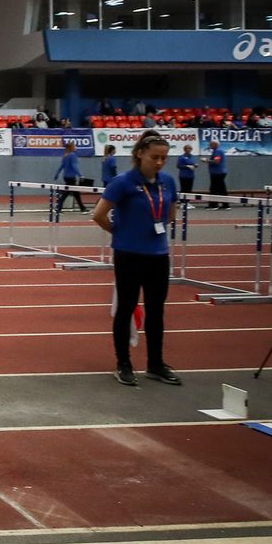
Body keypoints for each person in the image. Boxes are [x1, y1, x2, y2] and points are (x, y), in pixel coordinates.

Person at [92, 130, 180, 386]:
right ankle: (124, 363)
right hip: (129, 255)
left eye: (164, 157)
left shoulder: (168, 182)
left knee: (156, 310)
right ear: (140, 155)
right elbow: (98, 215)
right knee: (126, 308)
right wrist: (118, 232)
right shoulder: (123, 182)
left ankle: (155, 363)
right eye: (155, 157)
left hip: (158, 255)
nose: (160, 162)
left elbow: (171, 215)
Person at [54, 139, 88, 213]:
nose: (76, 147)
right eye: (74, 146)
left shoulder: (65, 155)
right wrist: (80, 175)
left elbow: (61, 166)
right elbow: (74, 166)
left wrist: (56, 174)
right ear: (71, 147)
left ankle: (82, 208)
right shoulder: (72, 155)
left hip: (66, 176)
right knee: (66, 193)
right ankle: (58, 208)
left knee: (75, 193)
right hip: (71, 177)